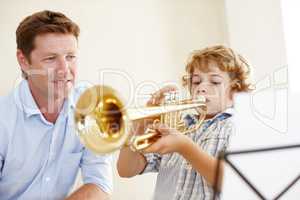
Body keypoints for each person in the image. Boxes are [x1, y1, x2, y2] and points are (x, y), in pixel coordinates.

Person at [0, 10, 112, 200]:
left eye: (70, 56)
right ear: (23, 61)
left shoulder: (88, 105)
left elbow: (99, 185)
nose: (64, 70)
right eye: (51, 59)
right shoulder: (4, 118)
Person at [117, 45, 253, 200]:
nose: (201, 87)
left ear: (235, 91)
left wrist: (184, 147)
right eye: (196, 82)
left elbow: (232, 182)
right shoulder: (178, 127)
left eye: (214, 82)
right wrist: (139, 125)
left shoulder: (237, 128)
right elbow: (125, 170)